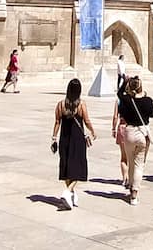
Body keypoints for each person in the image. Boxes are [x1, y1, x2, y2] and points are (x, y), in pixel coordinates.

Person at [51, 78, 96, 209]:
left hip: (64, 138)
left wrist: (54, 137)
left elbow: (57, 122)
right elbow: (86, 121)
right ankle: (67, 191)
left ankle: (70, 195)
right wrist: (93, 131)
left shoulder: (60, 105)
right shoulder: (81, 104)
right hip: (77, 140)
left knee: (66, 167)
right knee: (78, 167)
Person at [113, 74, 153, 205]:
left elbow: (119, 95)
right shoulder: (147, 100)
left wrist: (124, 82)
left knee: (131, 162)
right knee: (139, 164)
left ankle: (131, 187)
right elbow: (152, 114)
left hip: (129, 133)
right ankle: (134, 193)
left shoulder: (126, 100)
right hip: (142, 134)